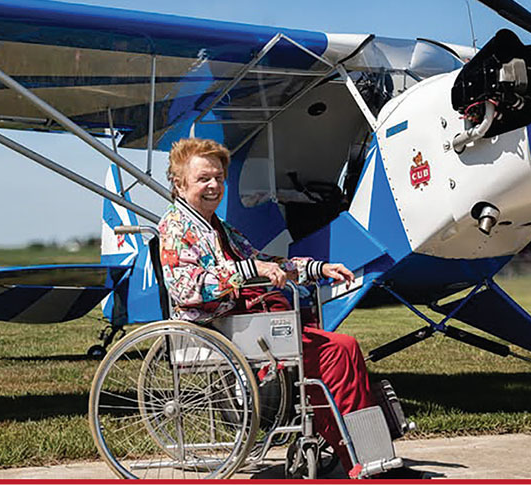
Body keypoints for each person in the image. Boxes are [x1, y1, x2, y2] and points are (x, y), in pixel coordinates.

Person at [157, 137, 376, 476]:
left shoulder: (219, 228)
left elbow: (264, 262)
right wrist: (249, 271)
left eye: (218, 177)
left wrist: (318, 268)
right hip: (213, 328)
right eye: (203, 179)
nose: (214, 185)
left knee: (343, 350)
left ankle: (368, 453)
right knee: (337, 351)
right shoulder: (174, 227)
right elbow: (187, 289)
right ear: (179, 182)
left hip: (242, 323)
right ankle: (360, 459)